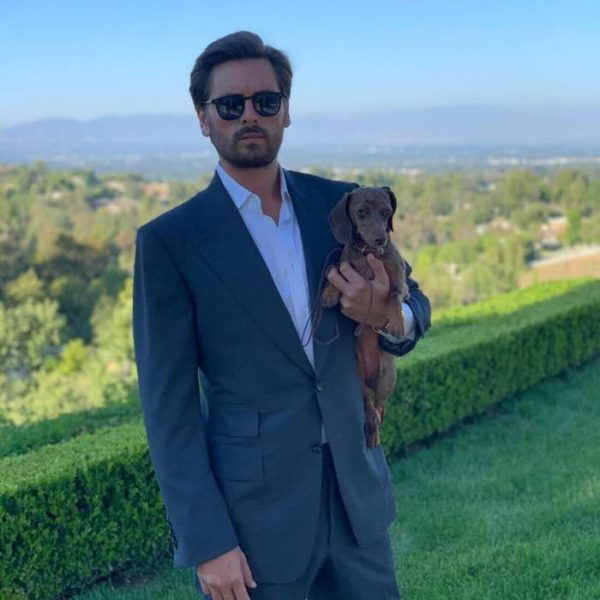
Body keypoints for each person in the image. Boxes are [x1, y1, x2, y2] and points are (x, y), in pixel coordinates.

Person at [132, 31, 431, 600]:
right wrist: (206, 541)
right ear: (203, 118)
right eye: (230, 104)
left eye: (265, 101)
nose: (250, 115)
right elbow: (168, 408)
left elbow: (414, 305)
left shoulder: (341, 207)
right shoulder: (170, 242)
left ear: (286, 111)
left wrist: (388, 316)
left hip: (358, 507)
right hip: (253, 524)